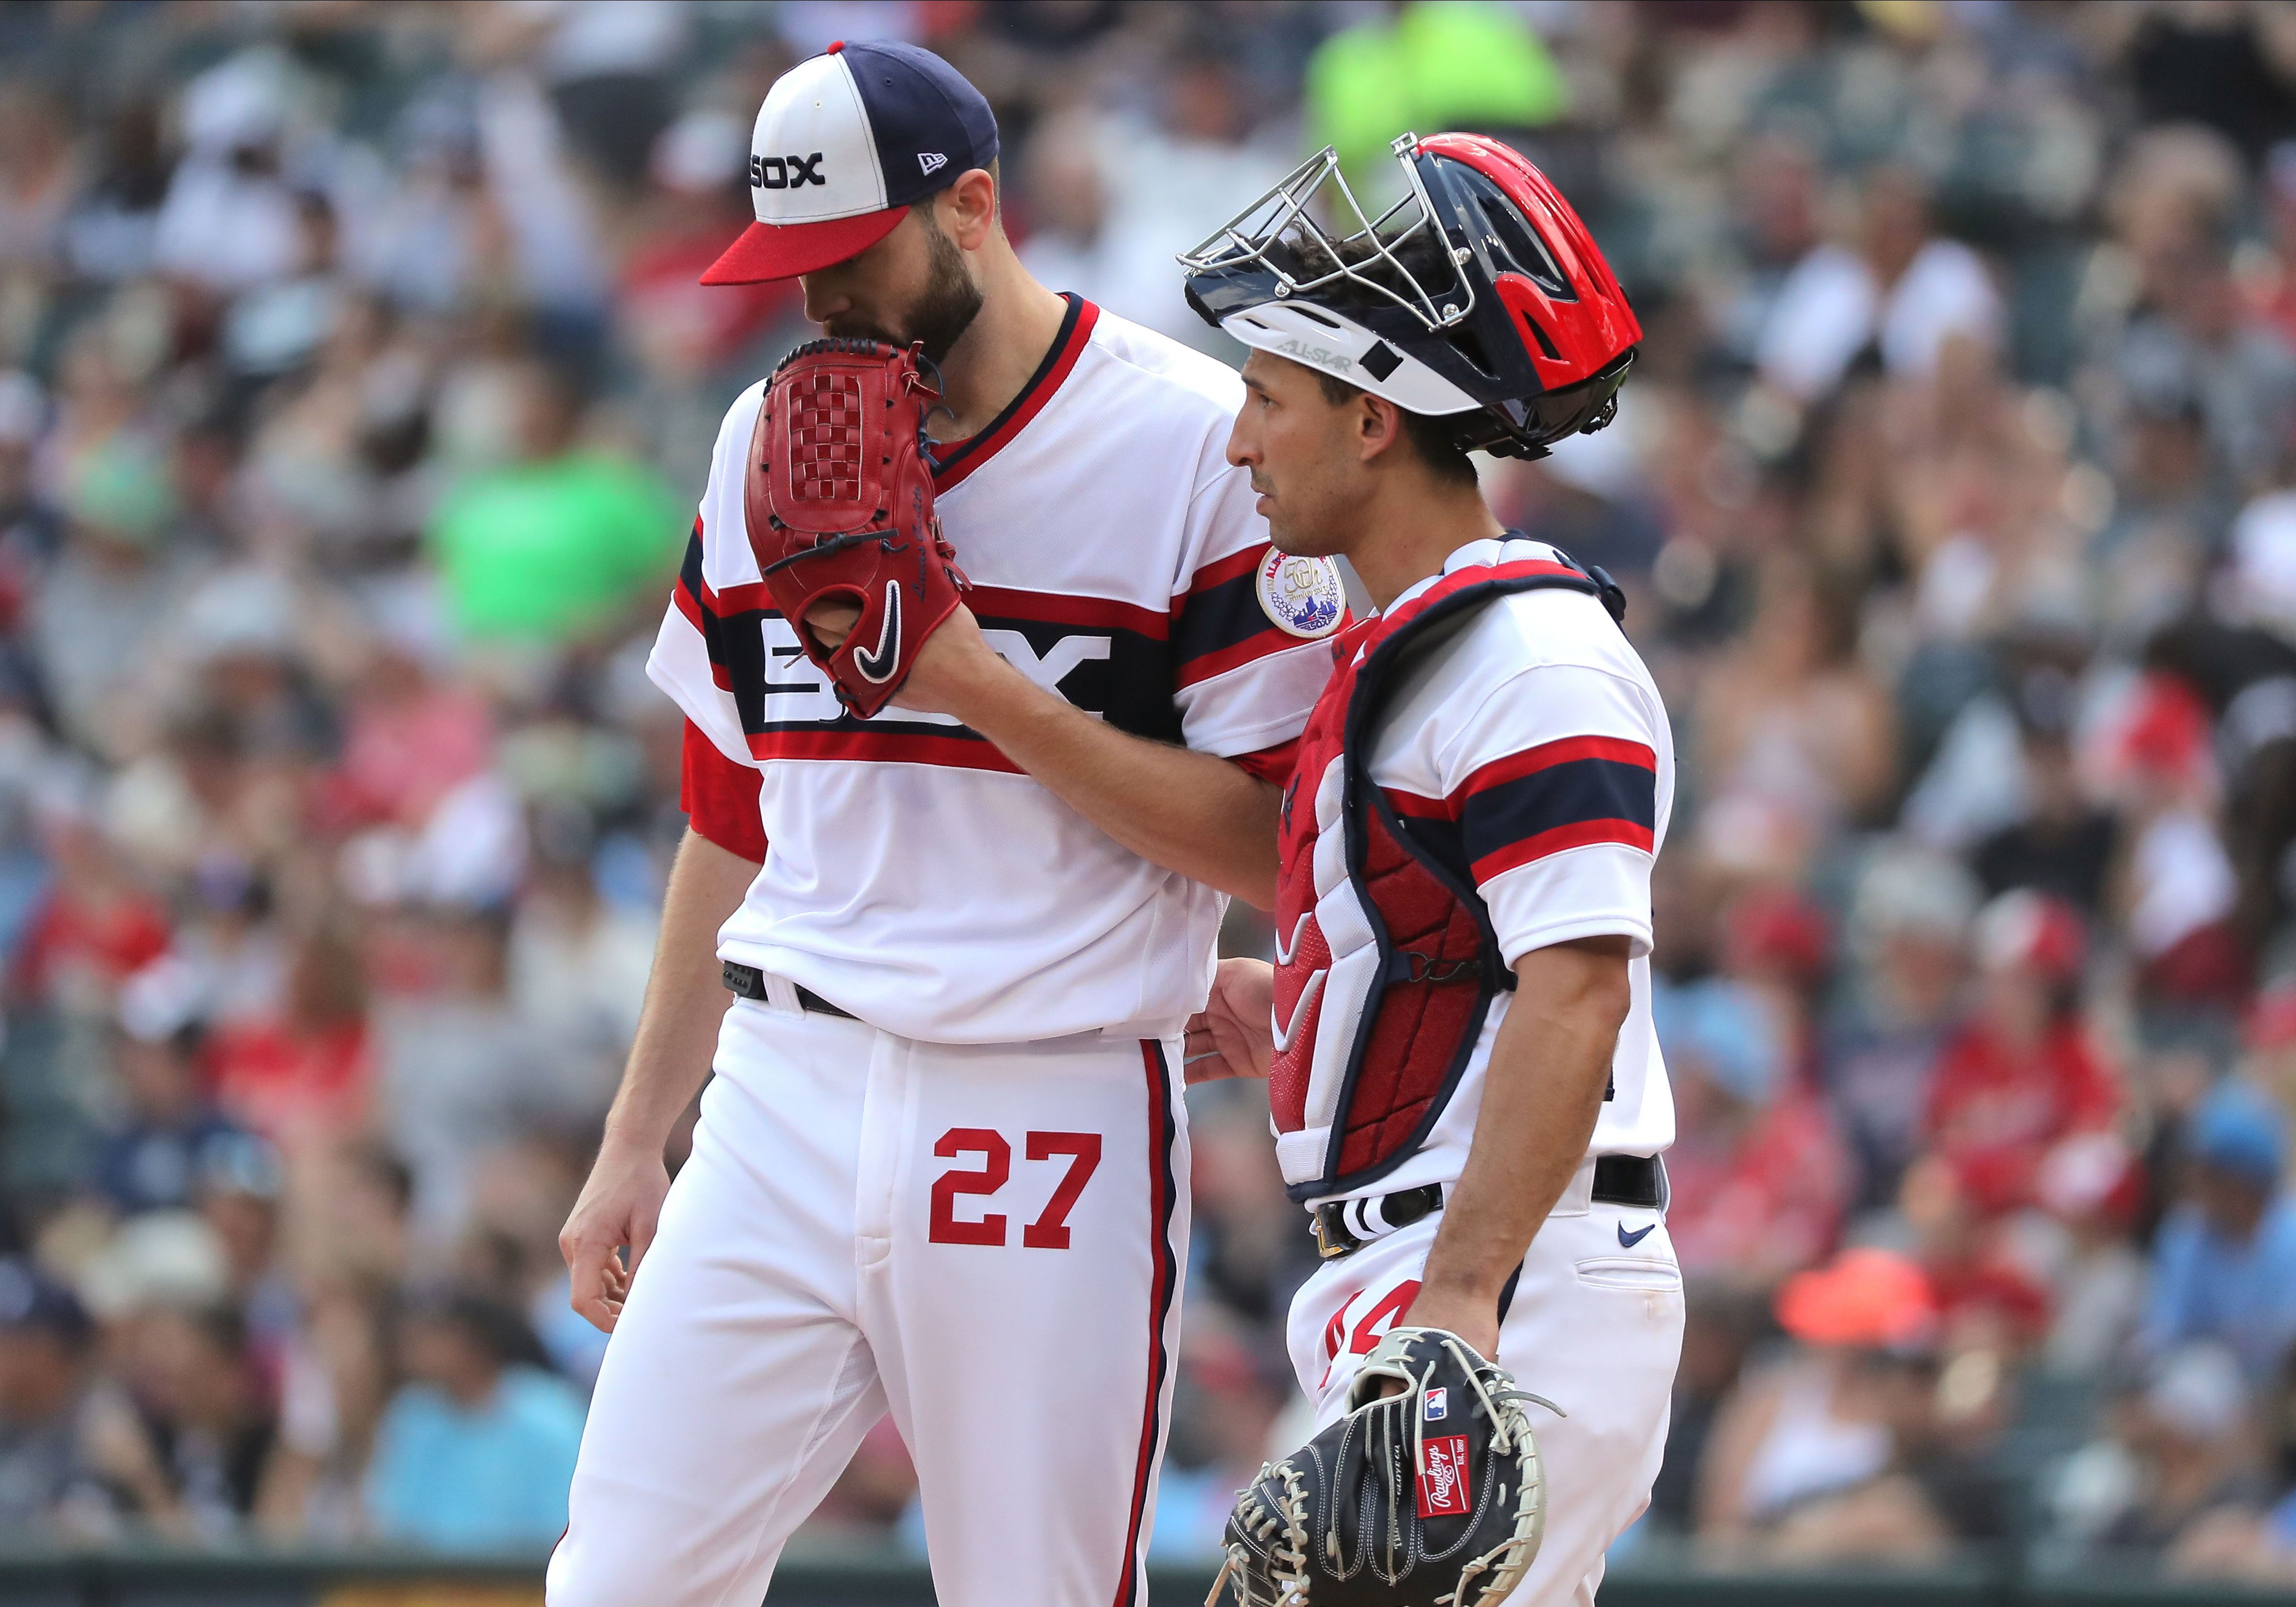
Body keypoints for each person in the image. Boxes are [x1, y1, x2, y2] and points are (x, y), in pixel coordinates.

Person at [549, 41, 1336, 1607]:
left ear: (971, 207)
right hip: (780, 1084)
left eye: (846, 258)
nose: (814, 301)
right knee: (619, 1586)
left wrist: (982, 686)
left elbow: (1277, 845)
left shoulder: (1193, 444)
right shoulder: (762, 442)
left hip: (1040, 1102)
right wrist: (641, 1132)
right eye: (789, 264)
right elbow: (731, 806)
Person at [1178, 133, 1679, 1603]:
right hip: (1448, 1273)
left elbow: (1578, 997)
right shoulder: (1437, 644)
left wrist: (1456, 1308)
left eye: (1268, 400)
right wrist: (1320, 1009)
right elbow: (1473, 960)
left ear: (1373, 422)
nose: (1240, 442)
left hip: (1504, 1277)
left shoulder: (1532, 655)